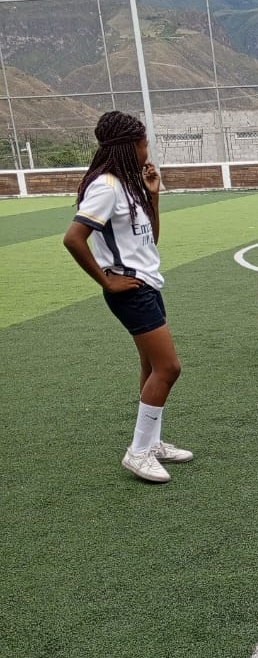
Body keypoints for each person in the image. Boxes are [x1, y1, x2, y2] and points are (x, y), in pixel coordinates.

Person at [62, 111, 191, 484]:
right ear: (129, 146)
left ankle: (151, 443)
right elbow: (73, 238)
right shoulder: (106, 187)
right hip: (130, 290)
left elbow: (150, 240)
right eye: (144, 144)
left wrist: (153, 196)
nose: (147, 151)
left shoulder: (128, 184)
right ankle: (138, 452)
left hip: (147, 283)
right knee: (169, 368)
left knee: (152, 366)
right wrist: (106, 281)